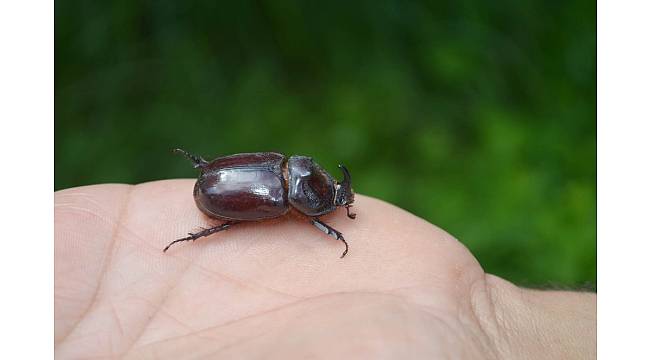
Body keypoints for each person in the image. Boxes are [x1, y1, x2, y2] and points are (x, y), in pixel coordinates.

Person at [54, 180, 596, 359]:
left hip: (223, 184)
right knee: (231, 227)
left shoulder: (290, 181)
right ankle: (192, 235)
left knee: (233, 225)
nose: (335, 201)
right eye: (330, 203)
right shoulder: (284, 199)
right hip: (219, 198)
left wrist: (489, 329)